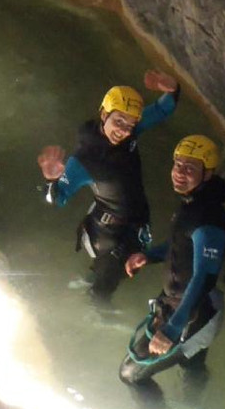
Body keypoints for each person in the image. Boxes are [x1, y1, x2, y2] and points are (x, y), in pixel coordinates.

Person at [37, 70, 179, 300]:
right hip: (111, 236)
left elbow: (163, 109)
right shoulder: (85, 160)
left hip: (130, 224)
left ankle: (90, 279)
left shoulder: (129, 135)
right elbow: (56, 197)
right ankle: (95, 311)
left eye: (130, 125)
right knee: (104, 290)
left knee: (105, 273)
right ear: (104, 114)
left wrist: (173, 89)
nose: (123, 131)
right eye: (118, 121)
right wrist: (50, 179)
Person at [119, 134, 225, 385]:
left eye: (190, 168)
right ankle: (196, 402)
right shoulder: (192, 203)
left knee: (129, 374)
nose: (180, 172)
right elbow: (181, 246)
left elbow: (203, 278)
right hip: (186, 303)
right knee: (192, 364)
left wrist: (171, 329)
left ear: (208, 173)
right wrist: (148, 256)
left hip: (195, 311)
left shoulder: (209, 218)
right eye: (177, 165)